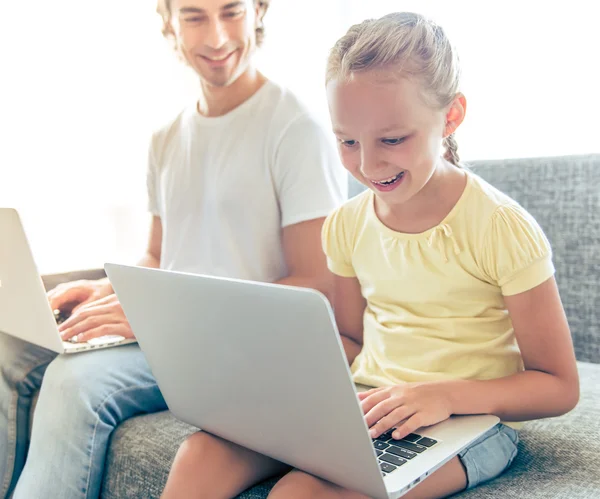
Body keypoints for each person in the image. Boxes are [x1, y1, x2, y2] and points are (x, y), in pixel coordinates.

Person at [160, 11, 580, 499]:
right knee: (201, 454)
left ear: (451, 116)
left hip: (470, 425)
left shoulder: (500, 228)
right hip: (366, 407)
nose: (367, 164)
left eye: (393, 139)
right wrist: (269, 379)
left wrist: (442, 395)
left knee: (299, 494)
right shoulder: (347, 225)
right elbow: (350, 341)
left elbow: (558, 385)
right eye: (347, 141)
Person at [0, 0, 346, 497]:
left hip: (227, 342)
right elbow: (160, 258)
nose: (218, 37)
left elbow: (318, 288)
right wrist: (104, 289)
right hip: (169, 331)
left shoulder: (296, 129)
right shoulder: (167, 138)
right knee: (11, 346)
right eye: (195, 16)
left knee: (73, 383)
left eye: (231, 12)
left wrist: (160, 317)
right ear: (169, 23)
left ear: (258, 12)